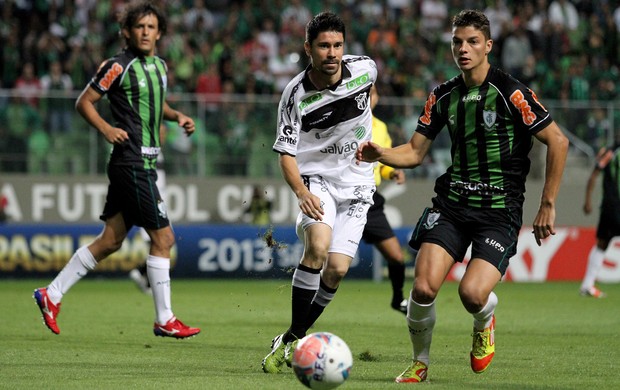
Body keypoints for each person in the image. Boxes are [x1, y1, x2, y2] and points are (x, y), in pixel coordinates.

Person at [356, 9, 568, 383]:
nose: (463, 49)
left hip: (499, 211)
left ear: (488, 45)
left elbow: (558, 141)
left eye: (472, 42)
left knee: (471, 294)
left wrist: (547, 203)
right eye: (457, 42)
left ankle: (484, 321)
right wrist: (382, 154)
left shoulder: (511, 92)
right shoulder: (442, 95)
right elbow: (415, 152)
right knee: (422, 288)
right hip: (452, 205)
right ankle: (420, 362)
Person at [33, 0, 200, 339]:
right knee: (164, 238)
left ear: (159, 33)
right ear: (126, 31)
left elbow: (157, 103)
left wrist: (176, 115)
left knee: (110, 241)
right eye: (139, 26)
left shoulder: (160, 66)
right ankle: (164, 318)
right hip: (131, 162)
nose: (145, 32)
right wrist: (106, 129)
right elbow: (84, 101)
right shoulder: (116, 66)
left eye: (151, 27)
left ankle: (51, 294)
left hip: (145, 162)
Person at [262, 12, 377, 374]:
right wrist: (300, 191)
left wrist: (363, 134)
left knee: (338, 269)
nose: (332, 53)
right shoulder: (295, 95)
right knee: (318, 246)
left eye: (337, 45)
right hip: (316, 179)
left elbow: (368, 95)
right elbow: (285, 154)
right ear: (308, 48)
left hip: (358, 180)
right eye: (324, 46)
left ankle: (293, 335)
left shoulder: (366, 68)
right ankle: (297, 339)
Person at [364, 85, 407, 314]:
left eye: (371, 94)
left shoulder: (380, 127)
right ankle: (308, 307)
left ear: (377, 97)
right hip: (345, 196)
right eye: (365, 94)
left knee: (396, 256)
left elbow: (381, 166)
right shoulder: (346, 123)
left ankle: (398, 299)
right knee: (329, 262)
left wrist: (393, 172)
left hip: (370, 200)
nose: (368, 98)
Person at [581, 143, 619, 298]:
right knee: (602, 243)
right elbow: (594, 174)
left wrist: (588, 200)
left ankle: (587, 285)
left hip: (610, 207)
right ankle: (587, 285)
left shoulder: (610, 152)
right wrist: (588, 200)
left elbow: (594, 174)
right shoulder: (611, 152)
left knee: (602, 244)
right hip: (613, 205)